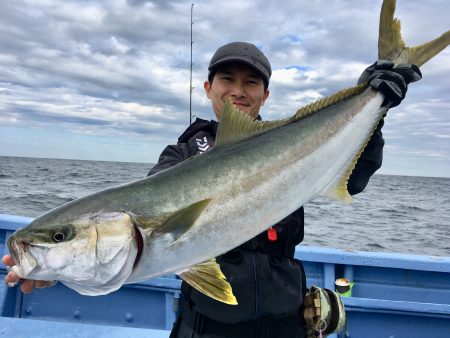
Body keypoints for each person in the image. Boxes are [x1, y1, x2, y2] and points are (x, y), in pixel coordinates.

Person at [3, 42, 421, 338]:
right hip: (207, 328)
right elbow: (147, 206)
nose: (238, 90)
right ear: (208, 89)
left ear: (265, 95)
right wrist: (57, 268)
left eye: (251, 82)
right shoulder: (182, 153)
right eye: (227, 78)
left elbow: (355, 175)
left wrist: (377, 104)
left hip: (287, 323)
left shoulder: (297, 143)